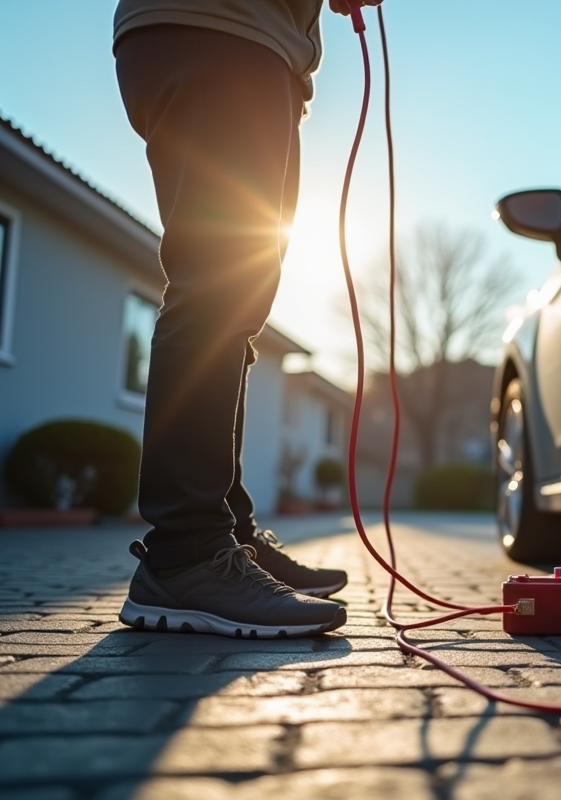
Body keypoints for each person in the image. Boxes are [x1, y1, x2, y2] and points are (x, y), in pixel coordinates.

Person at [113, 0, 381, 637]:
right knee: (218, 286)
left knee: (239, 298)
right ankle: (186, 557)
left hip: (244, 44)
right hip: (217, 30)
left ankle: (223, 537)